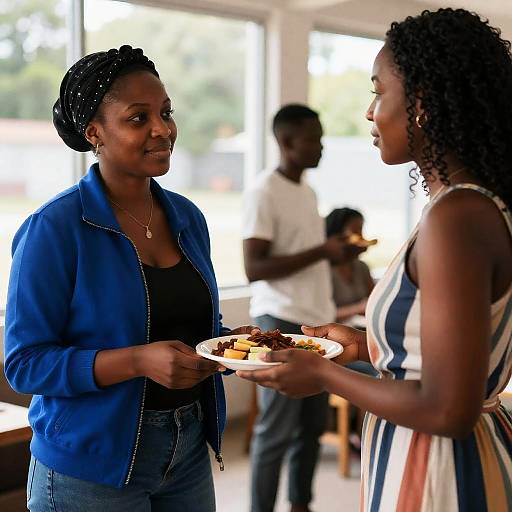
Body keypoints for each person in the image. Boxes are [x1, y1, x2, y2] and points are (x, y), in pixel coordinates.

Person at [238, 9, 512, 511]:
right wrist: (362, 347)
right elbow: (439, 353)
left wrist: (321, 374)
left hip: (439, 469)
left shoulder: (457, 217)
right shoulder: (467, 205)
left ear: (423, 105)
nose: (369, 112)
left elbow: (448, 406)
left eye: (377, 91)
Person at [4, 45, 257, 511]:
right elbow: (24, 364)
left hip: (187, 452)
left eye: (166, 112)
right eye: (138, 118)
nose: (162, 129)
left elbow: (189, 329)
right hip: (89, 466)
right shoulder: (55, 228)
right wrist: (138, 361)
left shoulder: (186, 217)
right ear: (95, 133)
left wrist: (235, 347)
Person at [242, 104, 349, 512]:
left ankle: (300, 504)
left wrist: (332, 255)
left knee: (312, 426)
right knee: (277, 429)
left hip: (315, 323)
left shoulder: (307, 191)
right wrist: (323, 249)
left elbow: (303, 257)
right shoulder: (263, 191)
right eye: (313, 138)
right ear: (287, 142)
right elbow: (255, 267)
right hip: (279, 320)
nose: (321, 145)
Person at [325, 208, 374, 323]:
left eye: (361, 230)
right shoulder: (322, 271)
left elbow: (375, 301)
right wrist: (358, 308)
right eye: (356, 231)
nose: (361, 236)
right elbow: (320, 313)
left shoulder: (362, 267)